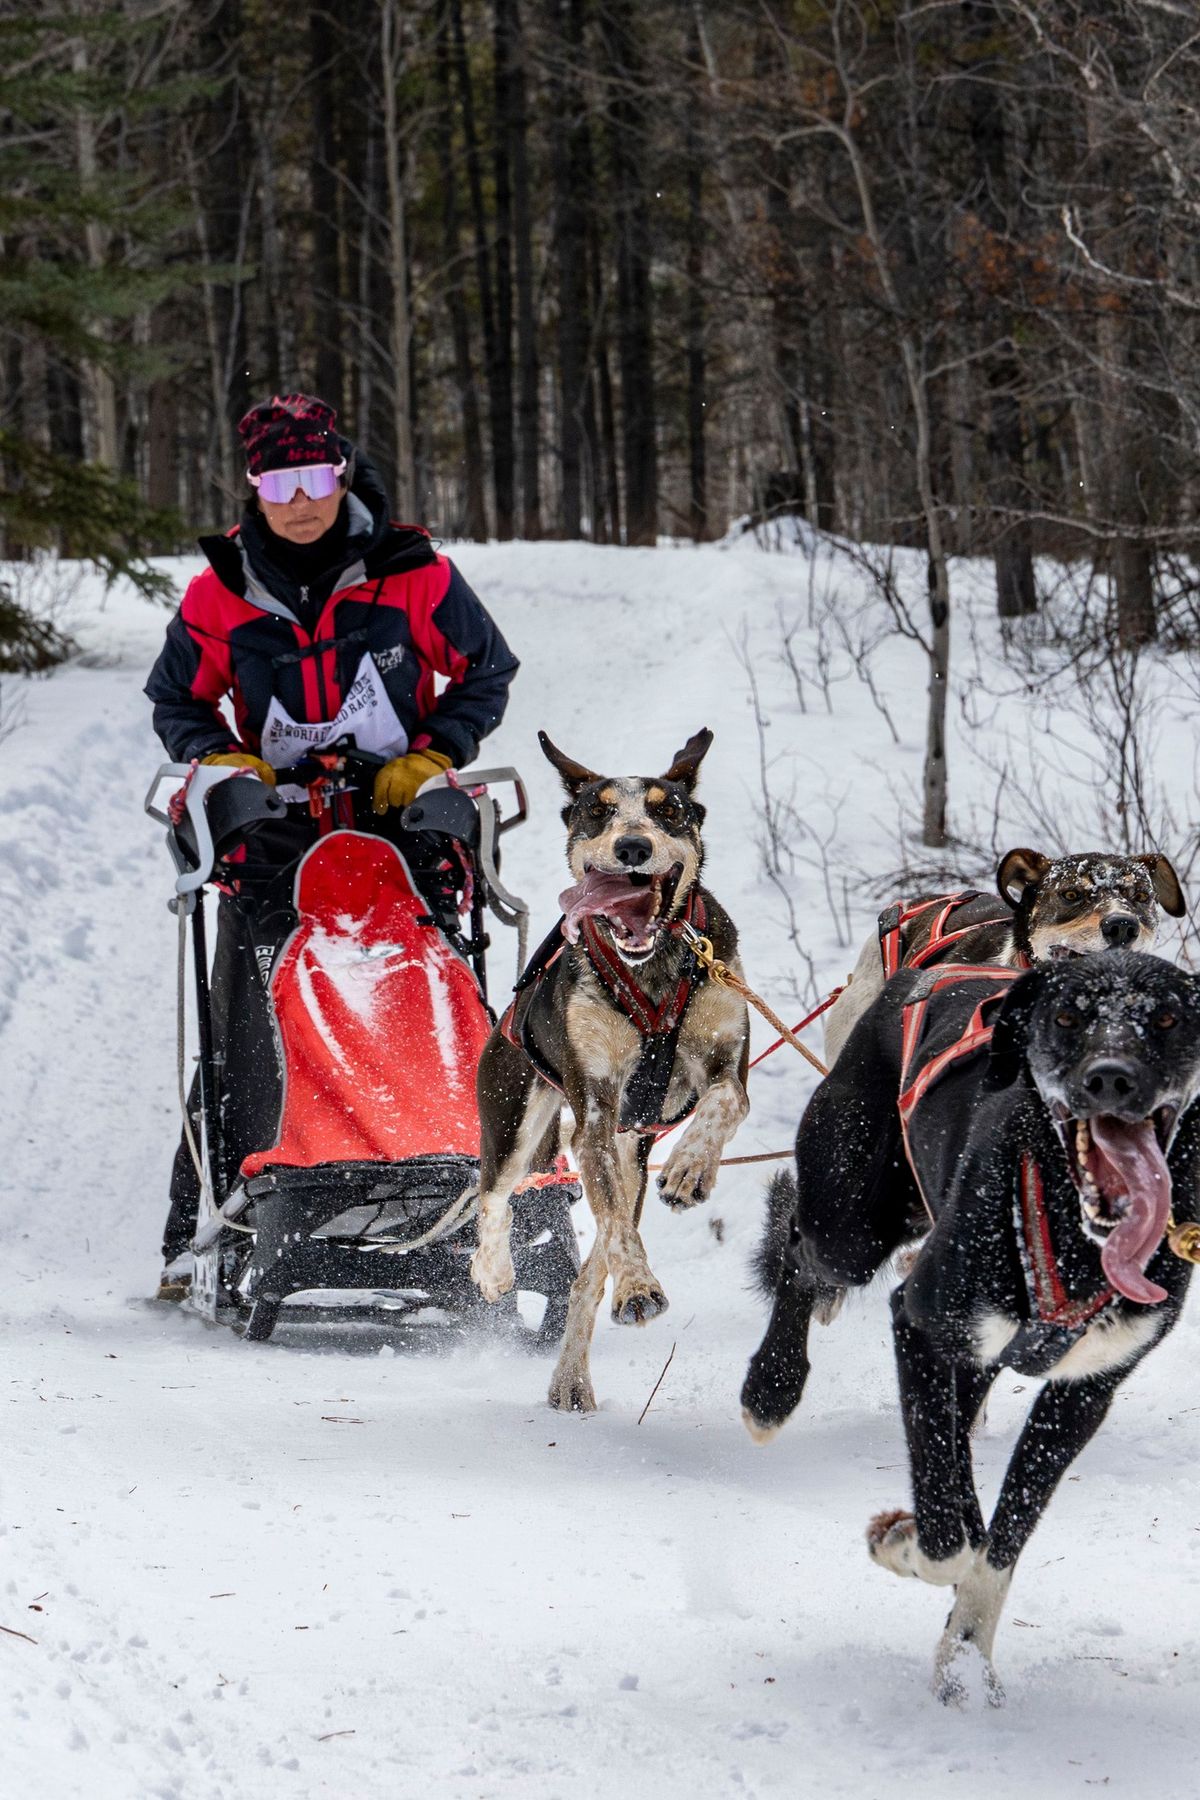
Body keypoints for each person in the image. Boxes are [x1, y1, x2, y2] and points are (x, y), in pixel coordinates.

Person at [146, 392, 518, 1296]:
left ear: (342, 472)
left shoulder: (413, 572)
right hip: (273, 836)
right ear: (254, 487)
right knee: (252, 1019)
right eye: (281, 480)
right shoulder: (219, 592)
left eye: (316, 475)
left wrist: (435, 751)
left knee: (427, 995)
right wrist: (220, 755)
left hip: (402, 831)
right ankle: (211, 1221)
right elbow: (176, 701)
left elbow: (486, 671)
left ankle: (468, 1187)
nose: (301, 498)